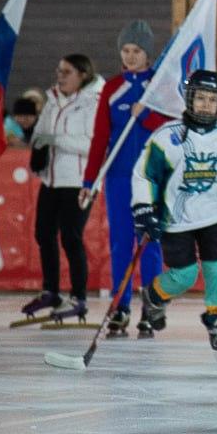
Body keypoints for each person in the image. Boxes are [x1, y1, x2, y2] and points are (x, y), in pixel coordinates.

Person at [132, 70, 217, 362]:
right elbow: (145, 175)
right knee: (184, 276)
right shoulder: (166, 137)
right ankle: (154, 297)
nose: (205, 104)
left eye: (211, 99)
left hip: (213, 218)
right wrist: (143, 207)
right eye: (200, 98)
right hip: (175, 220)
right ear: (189, 99)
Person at [80, 20, 169, 337]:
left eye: (137, 51)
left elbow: (173, 128)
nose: (130, 56)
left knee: (150, 243)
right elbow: (100, 138)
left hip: (152, 178)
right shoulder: (111, 87)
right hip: (118, 178)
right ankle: (119, 308)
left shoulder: (159, 86)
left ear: (148, 54)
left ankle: (150, 307)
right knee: (121, 244)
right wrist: (89, 182)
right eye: (126, 50)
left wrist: (145, 114)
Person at [22, 54, 104, 324]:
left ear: (82, 74)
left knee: (71, 236)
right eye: (59, 70)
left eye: (66, 72)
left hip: (79, 181)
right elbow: (39, 134)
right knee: (43, 234)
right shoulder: (53, 99)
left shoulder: (93, 102)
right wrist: (39, 148)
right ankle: (51, 291)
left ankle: (79, 297)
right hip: (52, 180)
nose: (60, 76)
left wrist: (56, 140)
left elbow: (94, 145)